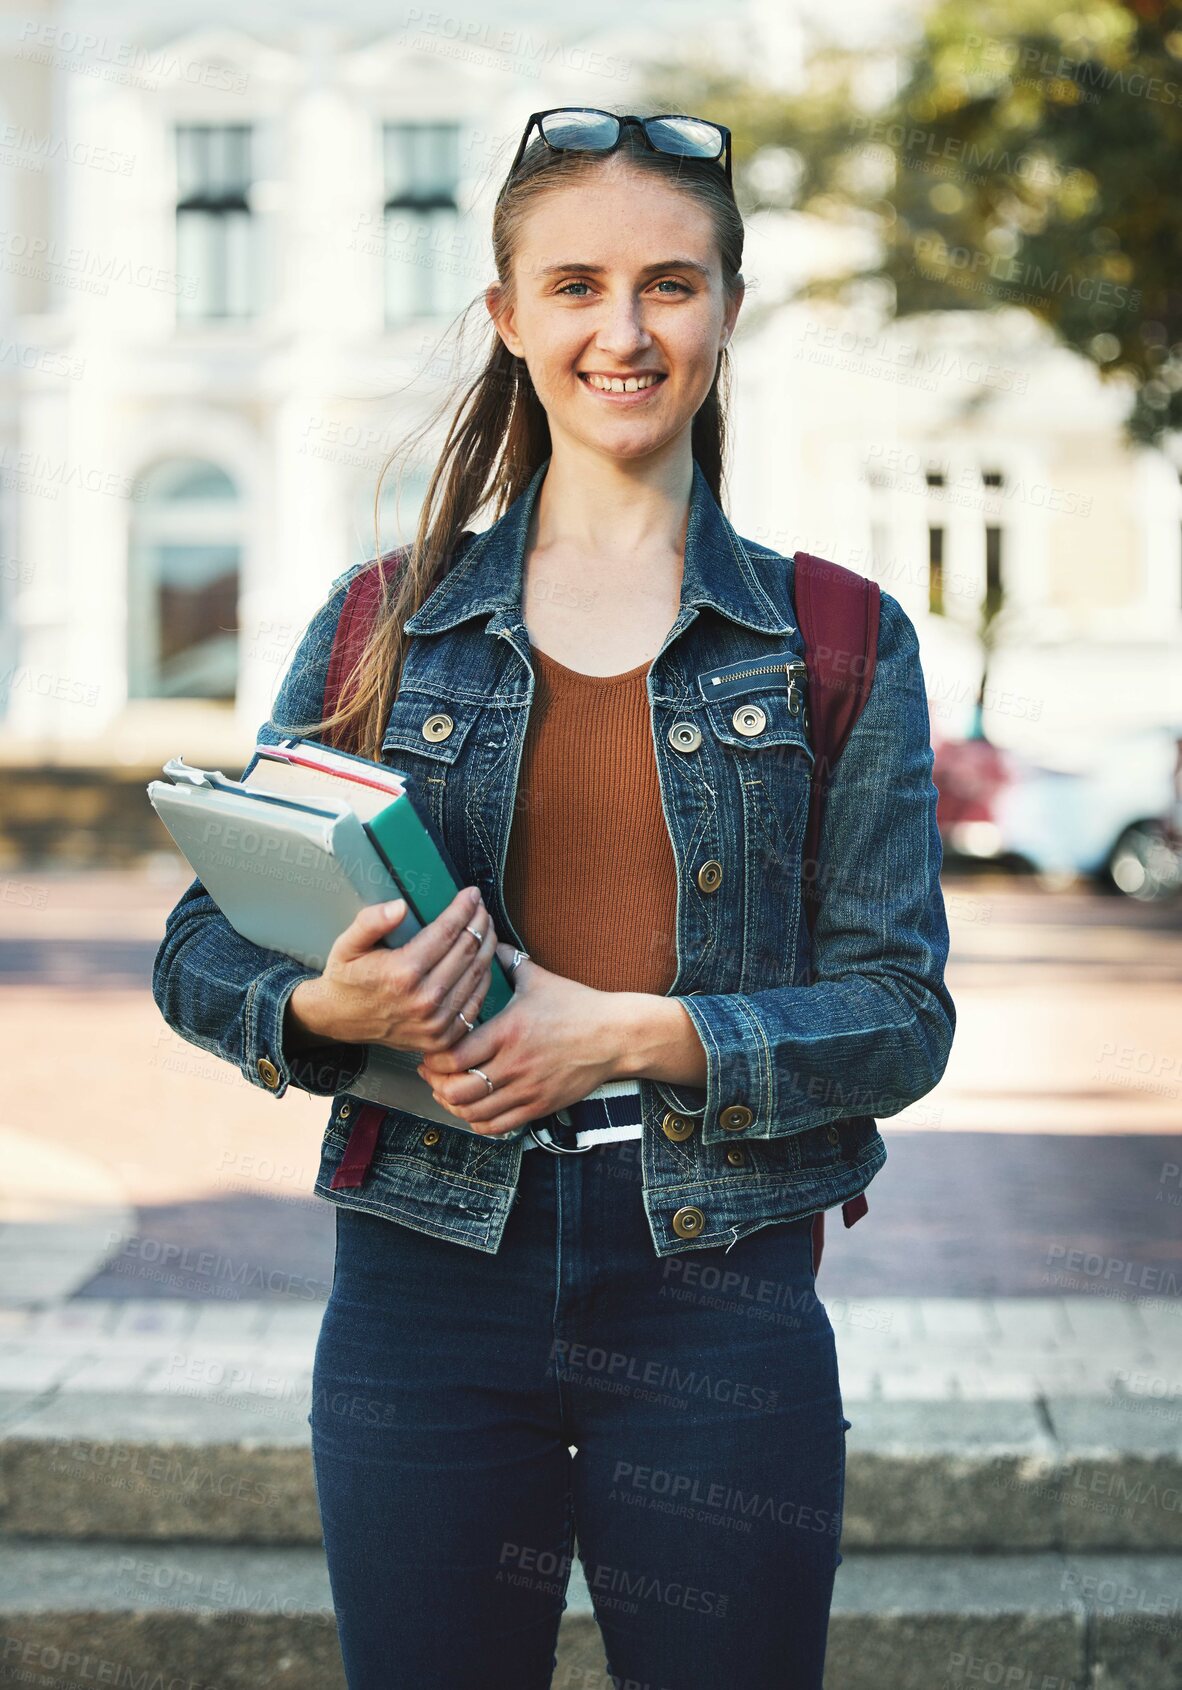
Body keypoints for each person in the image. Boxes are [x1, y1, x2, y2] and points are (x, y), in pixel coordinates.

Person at [152, 107, 956, 1690]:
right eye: (576, 284)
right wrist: (324, 1009)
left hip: (718, 1283)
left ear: (727, 308)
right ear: (511, 317)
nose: (626, 329)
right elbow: (198, 948)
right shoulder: (384, 622)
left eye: (670, 284)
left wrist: (629, 1034)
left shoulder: (837, 637)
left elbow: (900, 1016)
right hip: (422, 1286)